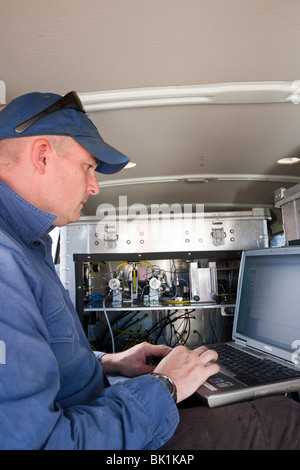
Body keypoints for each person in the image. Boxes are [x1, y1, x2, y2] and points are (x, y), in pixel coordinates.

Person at [1, 91, 300, 451]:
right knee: (283, 418)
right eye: (88, 167)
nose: (95, 186)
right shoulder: (6, 262)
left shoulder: (27, 247)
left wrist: (110, 363)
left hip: (104, 408)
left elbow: (45, 360)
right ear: (42, 156)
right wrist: (164, 387)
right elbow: (38, 444)